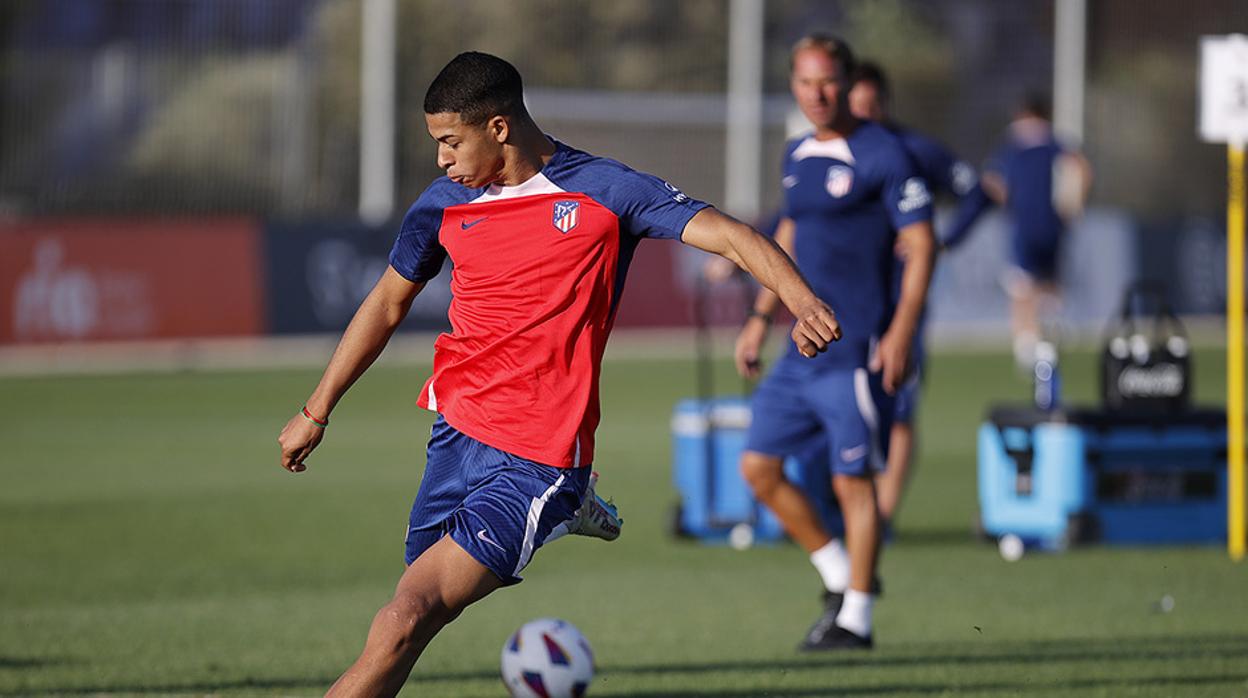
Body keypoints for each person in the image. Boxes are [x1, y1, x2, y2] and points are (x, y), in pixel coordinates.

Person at [277, 51, 842, 696]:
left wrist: (802, 303)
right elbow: (386, 302)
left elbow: (734, 237)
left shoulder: (603, 190)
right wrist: (315, 410)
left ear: (498, 128)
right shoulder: (442, 205)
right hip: (456, 433)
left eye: (449, 142)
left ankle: (567, 495)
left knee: (403, 620)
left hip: (538, 454)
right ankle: (573, 508)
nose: (440, 160)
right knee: (411, 619)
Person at [736, 34, 937, 651]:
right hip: (799, 351)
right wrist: (760, 315)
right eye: (804, 83)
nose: (816, 94)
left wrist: (901, 332)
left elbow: (924, 244)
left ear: (847, 82)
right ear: (793, 86)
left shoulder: (884, 154)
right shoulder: (797, 152)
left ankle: (858, 620)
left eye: (827, 81)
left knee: (854, 483)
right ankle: (837, 573)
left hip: (854, 351)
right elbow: (789, 237)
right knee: (758, 468)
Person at [847, 61, 992, 526]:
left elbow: (977, 193)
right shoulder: (833, 152)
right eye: (856, 106)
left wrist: (944, 240)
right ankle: (850, 511)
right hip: (847, 301)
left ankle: (881, 518)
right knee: (847, 407)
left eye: (871, 105)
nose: (864, 115)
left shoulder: (914, 150)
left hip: (901, 300)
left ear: (884, 104)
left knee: (900, 407)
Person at [980, 93, 1092, 369]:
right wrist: (1075, 203)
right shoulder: (1056, 143)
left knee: (1021, 285)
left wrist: (1009, 202)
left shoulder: (1014, 145)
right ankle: (1052, 332)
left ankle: (1026, 342)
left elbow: (992, 179)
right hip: (1053, 223)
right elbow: (1082, 168)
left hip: (1024, 224)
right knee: (1050, 280)